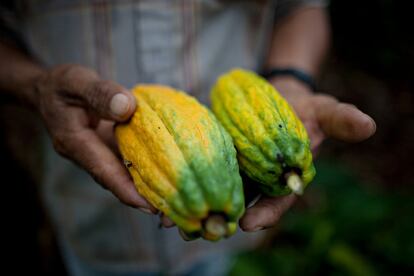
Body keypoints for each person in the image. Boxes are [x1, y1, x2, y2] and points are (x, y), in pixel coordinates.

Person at [0, 0, 376, 275]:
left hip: (235, 199)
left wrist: (290, 79)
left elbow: (302, 7)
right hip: (92, 224)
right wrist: (36, 87)